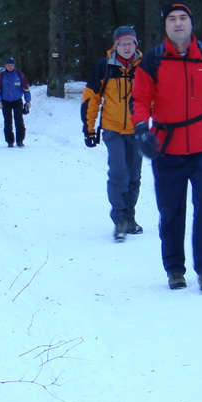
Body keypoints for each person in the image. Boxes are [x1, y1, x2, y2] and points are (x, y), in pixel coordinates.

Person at [131, 1, 202, 291]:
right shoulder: (154, 60)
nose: (178, 23)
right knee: (171, 212)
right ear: (166, 26)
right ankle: (174, 269)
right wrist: (142, 129)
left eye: (183, 18)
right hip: (166, 150)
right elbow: (140, 99)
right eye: (172, 19)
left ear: (191, 23)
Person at [81, 26, 144, 242]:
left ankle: (130, 217)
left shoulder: (145, 67)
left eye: (130, 43)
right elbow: (91, 98)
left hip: (138, 129)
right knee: (119, 173)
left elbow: (156, 97)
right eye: (122, 43)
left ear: (136, 45)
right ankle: (119, 220)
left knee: (134, 175)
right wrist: (89, 128)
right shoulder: (104, 66)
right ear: (115, 45)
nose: (126, 47)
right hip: (113, 129)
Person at [0, 56, 32, 147]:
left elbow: (26, 88)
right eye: (8, 65)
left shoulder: (19, 75)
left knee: (19, 121)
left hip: (17, 101)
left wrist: (28, 101)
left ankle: (20, 141)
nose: (10, 67)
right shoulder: (1, 76)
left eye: (11, 65)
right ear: (5, 66)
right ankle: (10, 141)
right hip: (5, 102)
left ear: (14, 65)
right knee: (7, 122)